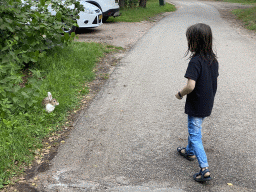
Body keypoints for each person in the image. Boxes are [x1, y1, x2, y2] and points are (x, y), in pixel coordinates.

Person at [175, 23, 219, 182]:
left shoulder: (195, 61)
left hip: (197, 104)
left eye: (190, 40)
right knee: (194, 129)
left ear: (196, 42)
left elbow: (191, 86)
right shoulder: (213, 60)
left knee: (195, 135)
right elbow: (212, 81)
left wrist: (180, 94)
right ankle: (189, 152)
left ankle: (204, 169)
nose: (189, 43)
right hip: (207, 102)